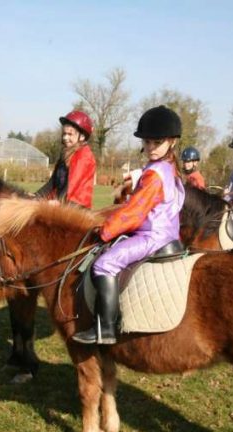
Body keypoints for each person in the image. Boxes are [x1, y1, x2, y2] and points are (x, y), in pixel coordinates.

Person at [72, 105, 185, 345]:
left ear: (172, 142)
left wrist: (105, 231)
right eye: (147, 142)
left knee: (104, 264)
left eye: (157, 143)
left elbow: (134, 213)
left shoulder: (155, 174)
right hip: (168, 234)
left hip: (152, 237)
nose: (151, 148)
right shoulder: (168, 169)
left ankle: (106, 328)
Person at [36, 110, 96, 208]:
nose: (65, 138)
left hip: (76, 207)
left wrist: (56, 202)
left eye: (70, 134)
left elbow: (71, 185)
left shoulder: (84, 156)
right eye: (64, 134)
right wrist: (35, 197)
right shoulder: (65, 154)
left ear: (82, 136)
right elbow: (52, 183)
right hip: (62, 203)